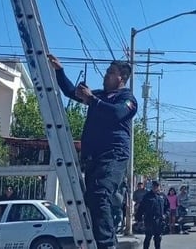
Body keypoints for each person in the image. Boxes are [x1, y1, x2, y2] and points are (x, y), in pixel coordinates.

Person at [48, 54, 137, 249]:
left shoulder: (127, 99)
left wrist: (92, 100)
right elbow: (71, 92)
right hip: (93, 157)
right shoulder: (100, 96)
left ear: (121, 78)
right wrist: (59, 70)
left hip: (114, 155)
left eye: (110, 73)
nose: (105, 75)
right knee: (90, 200)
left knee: (99, 194)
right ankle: (103, 242)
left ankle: (106, 245)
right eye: (106, 72)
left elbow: (116, 113)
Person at [135, 181, 169, 249]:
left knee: (158, 238)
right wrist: (139, 219)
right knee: (148, 237)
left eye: (157, 186)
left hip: (159, 221)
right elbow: (141, 208)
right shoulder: (147, 196)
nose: (155, 188)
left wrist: (165, 215)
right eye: (154, 186)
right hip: (149, 220)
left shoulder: (163, 196)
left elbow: (167, 207)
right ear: (152, 187)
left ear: (159, 187)